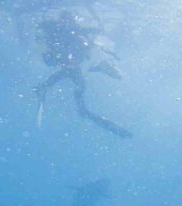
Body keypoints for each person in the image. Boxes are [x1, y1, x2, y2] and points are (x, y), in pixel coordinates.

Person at [33, 11, 132, 139]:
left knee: (80, 96)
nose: (66, 23)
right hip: (68, 68)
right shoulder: (56, 31)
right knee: (58, 82)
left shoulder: (77, 32)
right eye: (64, 20)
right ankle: (43, 89)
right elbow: (43, 36)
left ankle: (85, 112)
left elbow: (92, 40)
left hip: (74, 70)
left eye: (68, 20)